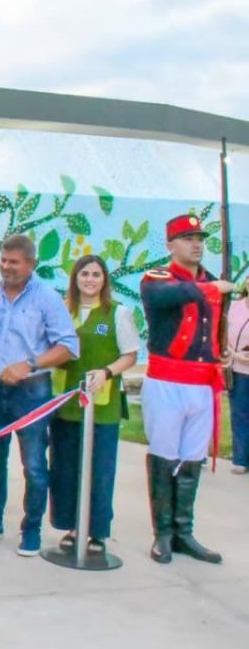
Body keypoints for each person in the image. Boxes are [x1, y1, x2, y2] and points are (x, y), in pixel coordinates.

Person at [0, 234, 79, 556]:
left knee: (34, 465)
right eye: (3, 261)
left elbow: (69, 346)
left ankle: (31, 531)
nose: (6, 267)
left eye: (13, 262)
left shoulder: (47, 298)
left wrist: (29, 364)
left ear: (31, 264)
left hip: (32, 391)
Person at [140, 215, 235, 564]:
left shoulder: (211, 281)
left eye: (199, 238)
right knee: (165, 456)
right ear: (170, 245)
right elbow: (167, 296)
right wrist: (212, 289)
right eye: (187, 238)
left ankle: (183, 531)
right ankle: (163, 533)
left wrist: (220, 350)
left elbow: (213, 325)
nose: (196, 244)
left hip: (202, 382)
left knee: (192, 458)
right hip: (167, 380)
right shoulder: (157, 278)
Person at [49, 256, 139, 555]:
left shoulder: (118, 313)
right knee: (65, 467)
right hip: (65, 403)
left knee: (99, 470)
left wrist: (107, 372)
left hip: (101, 406)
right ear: (75, 278)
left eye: (96, 274)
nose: (90, 279)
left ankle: (97, 531)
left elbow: (130, 355)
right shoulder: (62, 310)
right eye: (84, 274)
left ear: (104, 279)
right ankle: (72, 526)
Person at [227, 290, 249, 475]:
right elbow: (221, 336)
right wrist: (235, 355)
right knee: (240, 414)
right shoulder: (233, 307)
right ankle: (240, 459)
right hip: (239, 369)